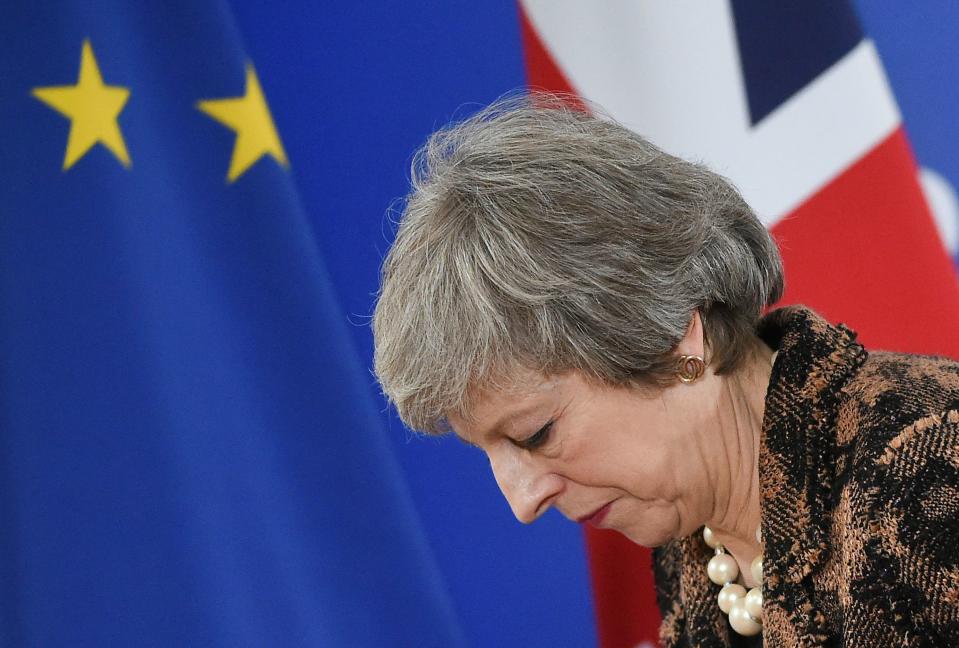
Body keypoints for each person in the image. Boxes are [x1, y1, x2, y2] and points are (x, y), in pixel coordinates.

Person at [371, 95, 959, 646]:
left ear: (675, 337)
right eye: (488, 451)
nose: (522, 502)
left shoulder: (931, 465)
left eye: (534, 433)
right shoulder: (693, 545)